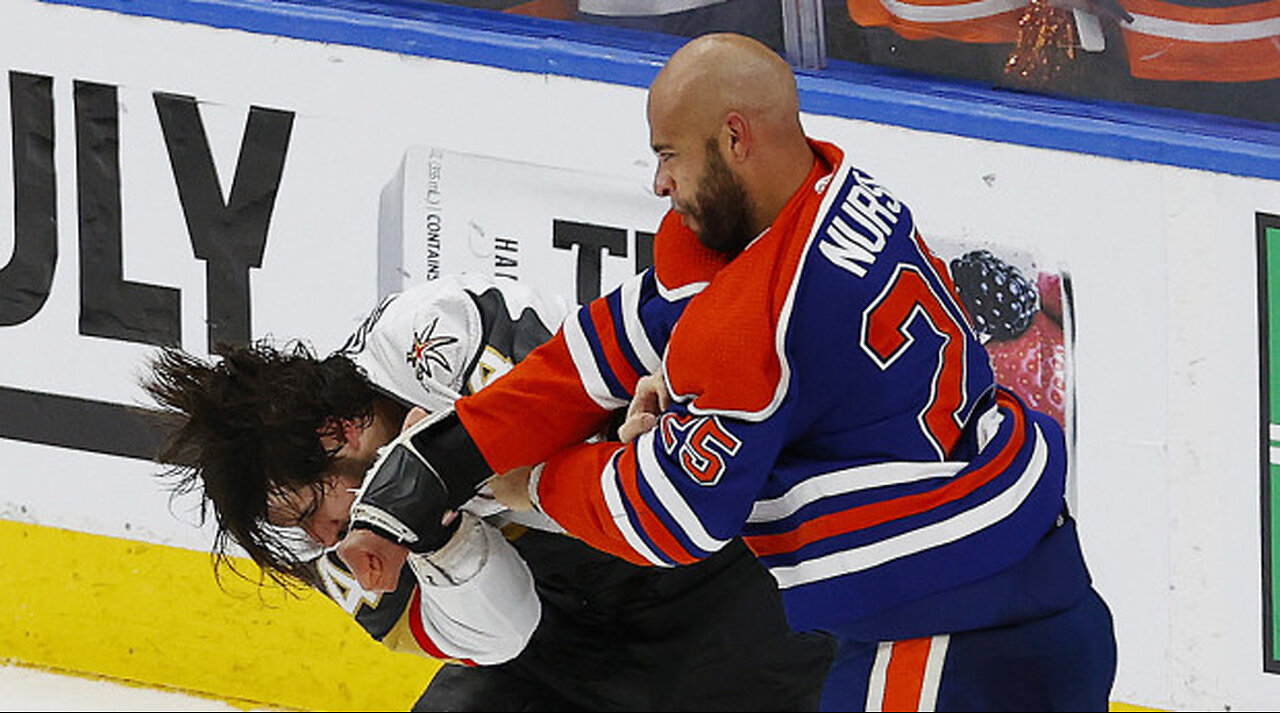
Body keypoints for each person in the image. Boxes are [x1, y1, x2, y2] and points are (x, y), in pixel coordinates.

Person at [337, 33, 1118, 711]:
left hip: (946, 647)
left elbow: (670, 519)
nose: (658, 183)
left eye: (668, 154)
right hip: (1043, 589)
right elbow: (612, 341)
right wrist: (446, 450)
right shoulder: (835, 193)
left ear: (735, 137)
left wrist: (520, 481)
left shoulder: (753, 320)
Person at [142, 273, 835, 712]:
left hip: (731, 596)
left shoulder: (433, 337)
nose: (321, 539)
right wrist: (443, 536)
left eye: (305, 508)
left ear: (340, 429)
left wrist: (457, 462)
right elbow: (505, 636)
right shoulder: (339, 554)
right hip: (566, 647)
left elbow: (646, 478)